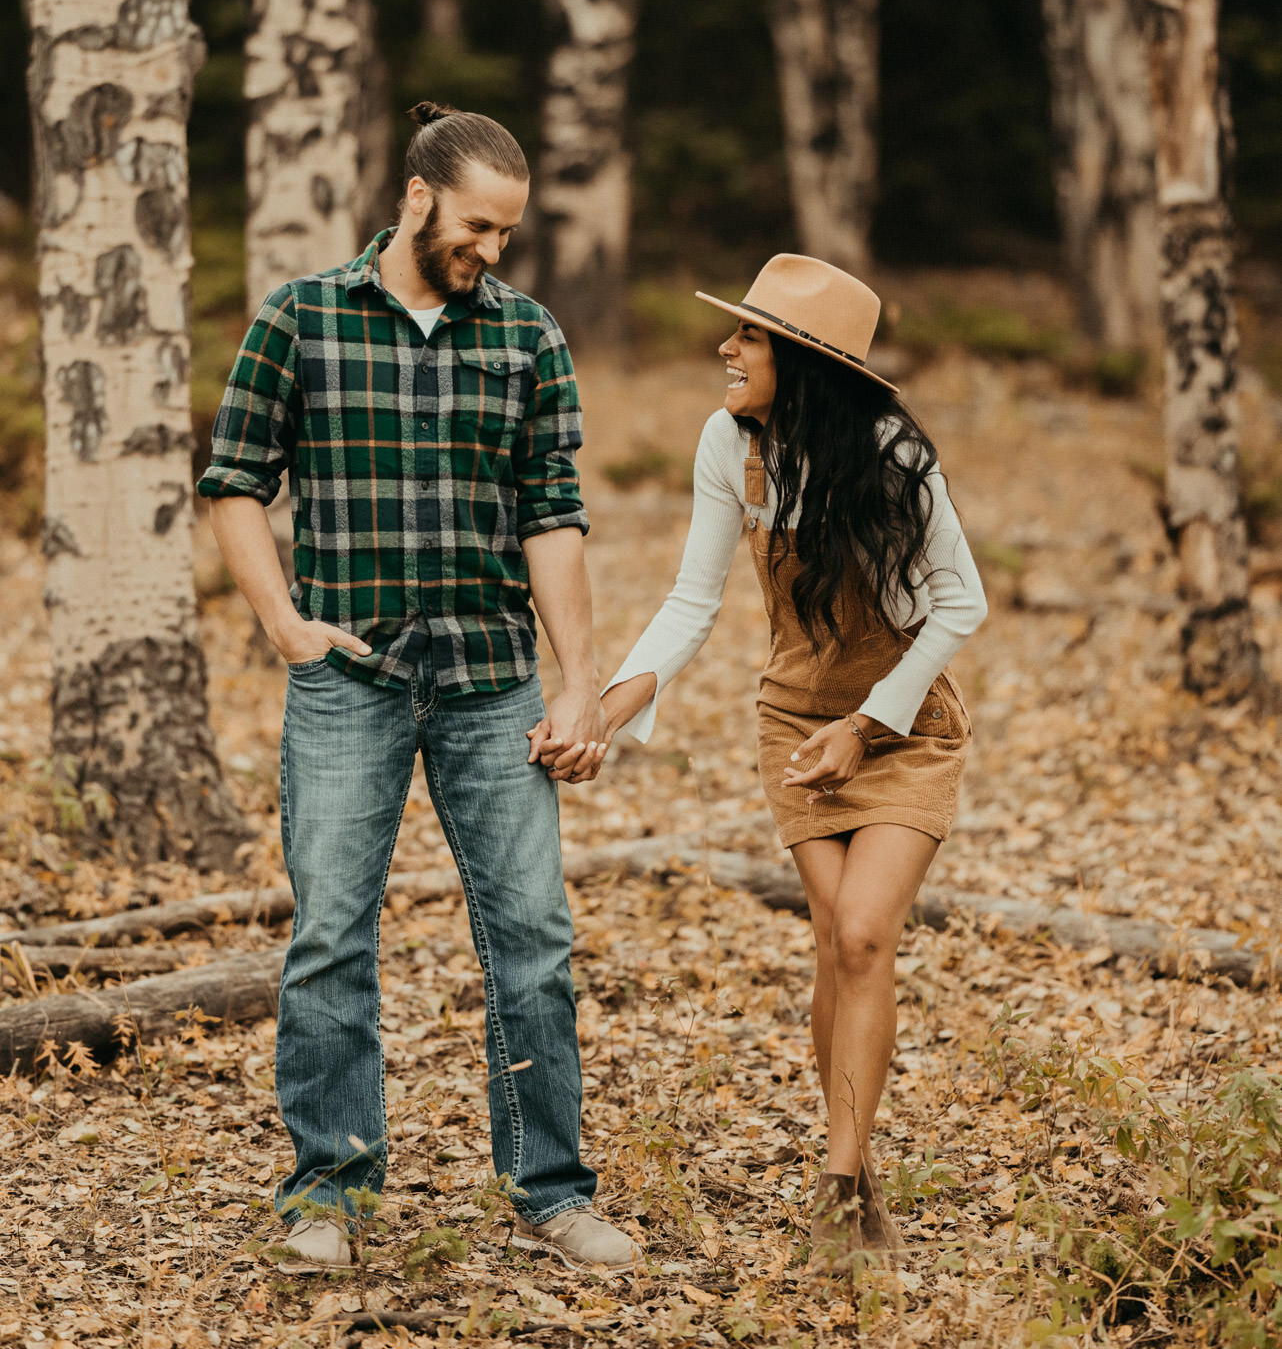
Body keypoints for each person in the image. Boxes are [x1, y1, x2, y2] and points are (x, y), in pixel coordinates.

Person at [197, 102, 633, 1275]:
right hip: (352, 681)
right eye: (477, 225)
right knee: (333, 936)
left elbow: (552, 517)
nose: (490, 250)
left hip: (493, 683)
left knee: (531, 939)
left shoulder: (528, 338)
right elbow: (234, 481)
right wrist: (283, 622)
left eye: (507, 233)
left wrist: (580, 682)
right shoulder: (302, 317)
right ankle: (328, 1194)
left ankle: (549, 1191)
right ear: (416, 196)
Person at [598, 255, 986, 1265]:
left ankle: (840, 1185)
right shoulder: (728, 447)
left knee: (862, 936)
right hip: (790, 724)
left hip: (901, 729)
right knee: (833, 942)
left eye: (751, 337)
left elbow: (960, 603)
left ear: (805, 362)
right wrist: (626, 691)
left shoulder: (895, 456)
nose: (725, 348)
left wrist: (867, 723)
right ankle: (849, 1166)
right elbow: (694, 597)